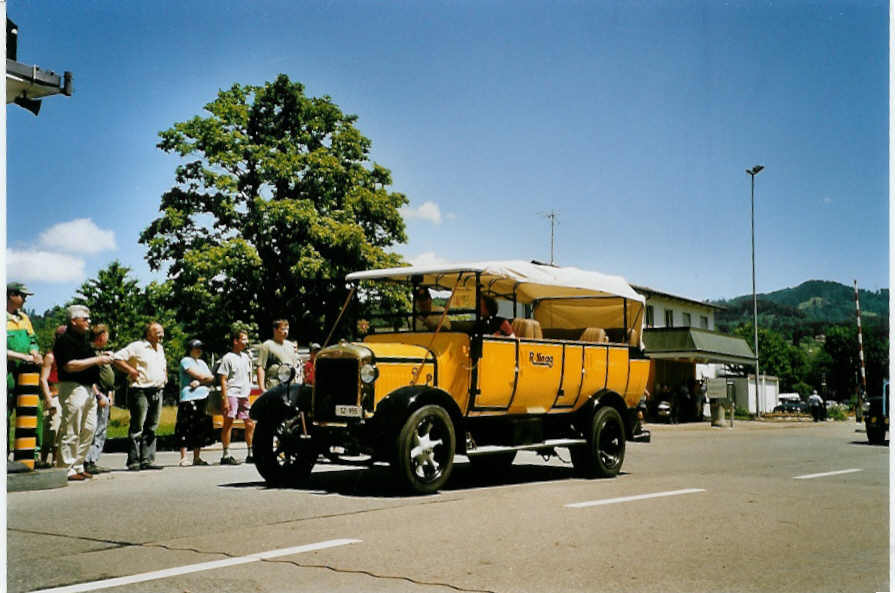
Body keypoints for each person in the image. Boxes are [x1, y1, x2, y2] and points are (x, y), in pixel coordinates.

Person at [53, 305, 113, 481]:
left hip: (88, 388)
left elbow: (89, 362)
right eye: (85, 319)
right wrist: (97, 359)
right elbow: (70, 365)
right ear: (73, 321)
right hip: (73, 387)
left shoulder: (84, 340)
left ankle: (78, 464)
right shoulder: (64, 341)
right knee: (71, 427)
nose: (89, 322)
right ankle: (66, 467)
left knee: (89, 428)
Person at [113, 322, 167, 471]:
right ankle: (134, 460)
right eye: (158, 332)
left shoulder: (160, 348)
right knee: (138, 426)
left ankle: (147, 459)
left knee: (152, 426)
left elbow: (162, 366)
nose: (161, 335)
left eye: (162, 332)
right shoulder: (137, 346)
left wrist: (164, 377)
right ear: (148, 334)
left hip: (157, 389)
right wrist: (131, 370)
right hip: (140, 389)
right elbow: (117, 358)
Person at [7, 282, 43, 461]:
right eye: (22, 296)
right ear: (11, 295)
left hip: (26, 373)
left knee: (33, 409)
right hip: (7, 373)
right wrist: (22, 357)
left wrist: (34, 353)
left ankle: (31, 455)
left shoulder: (23, 318)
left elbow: (32, 340)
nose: (24, 300)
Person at [218, 329, 255, 465]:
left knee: (250, 423)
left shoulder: (246, 357)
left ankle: (250, 453)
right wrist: (225, 398)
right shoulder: (227, 358)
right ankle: (226, 454)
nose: (246, 342)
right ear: (235, 341)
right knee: (229, 422)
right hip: (232, 392)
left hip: (244, 393)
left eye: (246, 339)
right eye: (243, 339)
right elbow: (223, 379)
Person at [175, 339, 215, 466]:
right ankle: (183, 457)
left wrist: (199, 382)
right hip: (188, 398)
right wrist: (203, 379)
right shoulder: (186, 361)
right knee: (185, 427)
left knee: (199, 428)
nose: (199, 350)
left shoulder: (202, 363)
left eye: (200, 348)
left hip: (202, 397)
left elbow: (211, 378)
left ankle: (196, 457)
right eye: (196, 348)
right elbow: (201, 376)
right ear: (190, 349)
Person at [84, 324, 115, 474]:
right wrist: (98, 395)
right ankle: (88, 460)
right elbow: (90, 378)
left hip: (105, 394)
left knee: (102, 428)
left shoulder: (103, 353)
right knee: (94, 428)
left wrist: (110, 395)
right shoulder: (92, 354)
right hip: (98, 394)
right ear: (101, 336)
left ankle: (93, 459)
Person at [37, 325, 66, 468]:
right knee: (51, 428)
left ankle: (55, 460)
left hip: (65, 394)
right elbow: (43, 379)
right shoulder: (50, 356)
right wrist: (48, 399)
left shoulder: (67, 356)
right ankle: (43, 459)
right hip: (53, 394)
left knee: (61, 430)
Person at [256, 319, 300, 391]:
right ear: (275, 330)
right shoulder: (267, 345)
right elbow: (260, 367)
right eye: (283, 329)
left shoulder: (291, 345)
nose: (286, 332)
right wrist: (262, 388)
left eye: (287, 329)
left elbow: (295, 367)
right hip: (274, 386)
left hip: (290, 386)